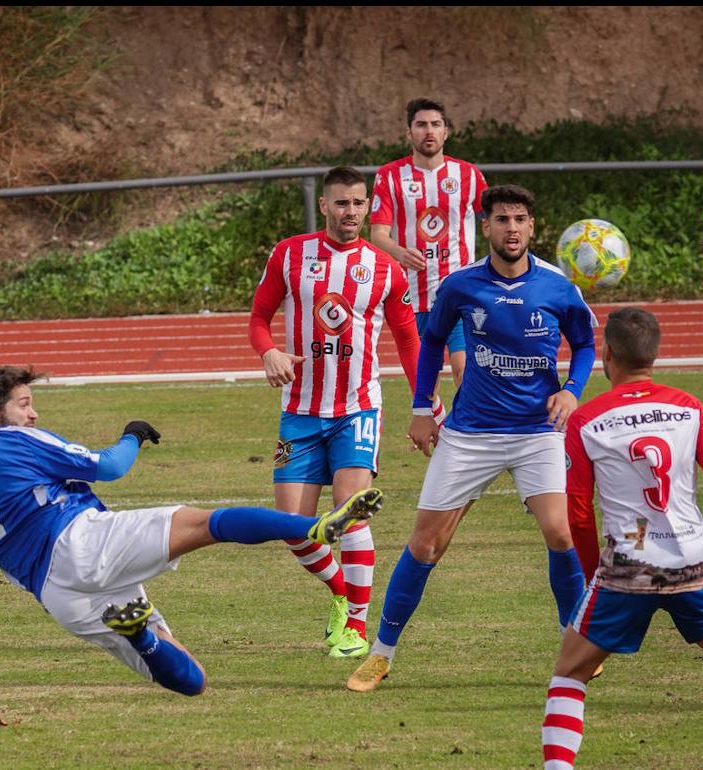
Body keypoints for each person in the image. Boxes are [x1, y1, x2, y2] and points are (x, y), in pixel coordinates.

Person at [0, 365, 383, 696]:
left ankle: (142, 637)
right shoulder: (13, 440)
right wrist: (133, 433)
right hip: (82, 542)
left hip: (59, 598)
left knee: (192, 680)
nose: (33, 415)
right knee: (206, 524)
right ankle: (315, 526)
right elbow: (110, 467)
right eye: (25, 404)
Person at [348, 184, 596, 692]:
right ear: (486, 226)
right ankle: (381, 653)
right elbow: (432, 340)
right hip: (469, 434)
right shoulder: (461, 285)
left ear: (532, 227)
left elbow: (587, 342)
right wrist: (421, 408)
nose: (511, 228)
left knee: (561, 533)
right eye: (502, 219)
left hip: (537, 433)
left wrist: (572, 389)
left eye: (520, 219)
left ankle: (576, 644)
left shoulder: (557, 285)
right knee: (426, 544)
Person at [540, 307, 703, 770]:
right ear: (655, 355)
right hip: (692, 562)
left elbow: (576, 510)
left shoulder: (587, 420)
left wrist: (595, 568)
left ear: (607, 354)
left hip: (628, 567)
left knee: (570, 673)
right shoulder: (688, 406)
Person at [249, 165, 434, 658]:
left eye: (358, 203)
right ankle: (340, 593)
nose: (350, 212)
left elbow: (409, 340)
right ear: (325, 206)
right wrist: (268, 351)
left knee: (351, 515)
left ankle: (354, 626)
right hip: (300, 411)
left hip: (358, 408)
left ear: (367, 206)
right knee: (291, 528)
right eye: (341, 203)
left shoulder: (385, 268)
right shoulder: (290, 254)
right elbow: (259, 318)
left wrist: (423, 402)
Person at [370, 97, 487, 387]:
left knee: (465, 372)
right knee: (426, 380)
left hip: (461, 290)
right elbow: (377, 235)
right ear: (409, 133)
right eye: (421, 125)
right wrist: (400, 253)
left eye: (436, 124)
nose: (429, 131)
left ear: (446, 131)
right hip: (413, 295)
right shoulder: (389, 176)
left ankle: (463, 432)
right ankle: (432, 427)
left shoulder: (468, 175)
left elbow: (492, 222)